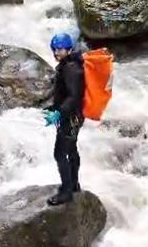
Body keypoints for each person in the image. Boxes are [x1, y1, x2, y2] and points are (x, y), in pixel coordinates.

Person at [44, 32, 85, 206]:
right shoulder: (69, 64)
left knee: (59, 153)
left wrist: (59, 112)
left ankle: (66, 191)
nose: (56, 53)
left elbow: (73, 96)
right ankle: (74, 184)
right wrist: (54, 108)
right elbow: (64, 94)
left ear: (68, 49)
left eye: (59, 49)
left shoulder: (71, 69)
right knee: (71, 149)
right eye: (54, 49)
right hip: (73, 115)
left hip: (71, 117)